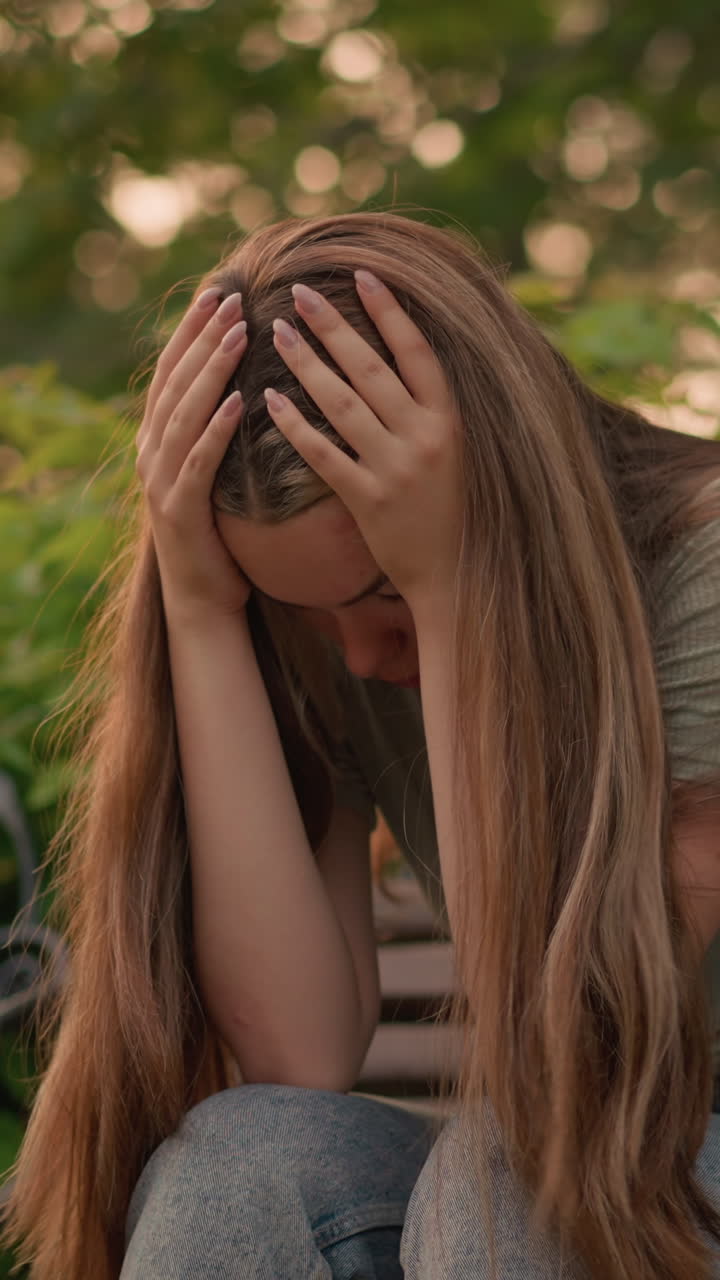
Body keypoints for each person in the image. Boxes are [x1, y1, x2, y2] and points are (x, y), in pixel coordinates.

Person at [2, 210, 720, 1279]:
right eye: (312, 617)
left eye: (382, 595)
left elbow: (568, 1045)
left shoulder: (696, 574)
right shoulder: (334, 637)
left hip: (646, 1144)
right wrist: (200, 610)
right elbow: (302, 1048)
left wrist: (451, 599)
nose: (366, 657)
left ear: (498, 497)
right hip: (570, 1164)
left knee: (515, 1180)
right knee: (240, 1165)